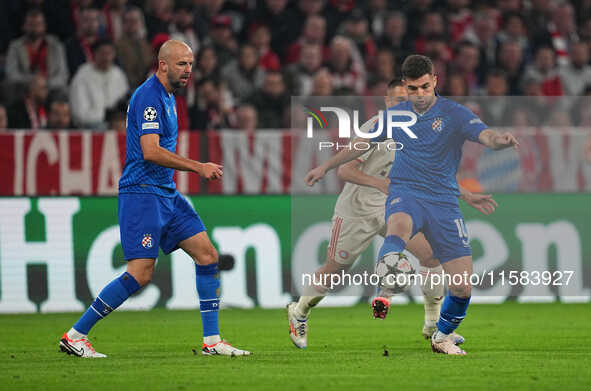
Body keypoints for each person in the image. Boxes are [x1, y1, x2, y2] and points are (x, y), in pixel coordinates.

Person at [304, 55, 518, 355]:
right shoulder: (395, 116)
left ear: (436, 81)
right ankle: (389, 274)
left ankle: (441, 335)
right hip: (406, 194)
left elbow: (485, 134)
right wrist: (325, 167)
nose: (420, 94)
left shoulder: (455, 114)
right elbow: (359, 146)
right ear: (405, 86)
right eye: (414, 89)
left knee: (462, 287)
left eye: (425, 87)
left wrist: (500, 140)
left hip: (444, 202)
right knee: (399, 225)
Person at [59, 40, 251, 358]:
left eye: (190, 64)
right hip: (143, 193)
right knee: (141, 273)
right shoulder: (149, 97)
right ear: (162, 64)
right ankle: (76, 334)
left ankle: (212, 341)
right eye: (181, 64)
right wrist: (197, 167)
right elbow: (150, 151)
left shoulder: (168, 97)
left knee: (207, 256)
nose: (188, 70)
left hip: (166, 193)